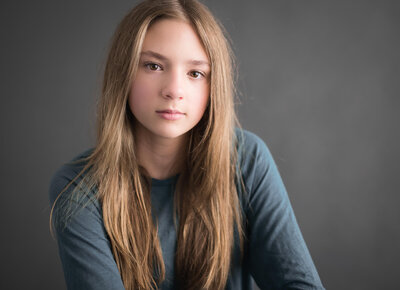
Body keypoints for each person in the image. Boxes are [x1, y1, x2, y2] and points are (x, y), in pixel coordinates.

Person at [49, 0, 325, 289]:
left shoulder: (247, 160)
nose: (174, 90)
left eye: (195, 73)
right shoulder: (77, 187)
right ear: (124, 73)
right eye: (153, 66)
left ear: (212, 85)